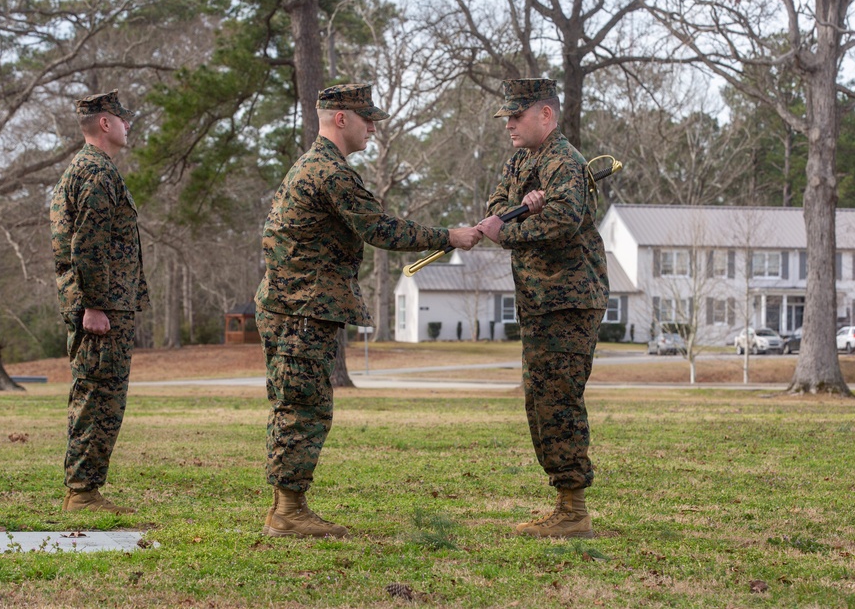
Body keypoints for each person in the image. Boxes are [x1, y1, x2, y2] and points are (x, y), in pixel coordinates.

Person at [256, 83, 481, 538]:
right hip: (302, 307)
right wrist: (450, 236)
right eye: (367, 118)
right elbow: (379, 228)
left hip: (294, 304)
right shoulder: (329, 172)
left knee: (296, 404)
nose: (373, 127)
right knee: (304, 407)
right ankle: (288, 512)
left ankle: (287, 505)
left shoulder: (312, 166)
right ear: (341, 118)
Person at [477, 78, 609, 538]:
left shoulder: (564, 163)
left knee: (559, 399)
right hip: (538, 301)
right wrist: (518, 207)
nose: (509, 124)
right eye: (507, 117)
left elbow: (561, 220)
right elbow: (495, 205)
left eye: (517, 115)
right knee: (539, 400)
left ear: (546, 115)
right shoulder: (521, 161)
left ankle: (574, 511)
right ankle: (564, 503)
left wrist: (512, 226)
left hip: (569, 300)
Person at [50, 89, 149, 515]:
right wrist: (94, 305)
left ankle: (84, 488)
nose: (129, 125)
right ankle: (83, 492)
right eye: (123, 119)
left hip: (105, 304)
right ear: (106, 123)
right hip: (100, 308)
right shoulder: (95, 172)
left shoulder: (88, 169)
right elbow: (87, 245)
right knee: (98, 396)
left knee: (96, 394)